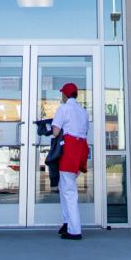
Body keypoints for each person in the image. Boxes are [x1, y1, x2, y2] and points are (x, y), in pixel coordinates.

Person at [49, 82, 89, 240]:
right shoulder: (84, 112)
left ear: (65, 95)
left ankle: (74, 230)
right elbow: (85, 132)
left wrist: (49, 127)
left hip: (68, 152)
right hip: (80, 151)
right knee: (65, 188)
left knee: (69, 192)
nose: (61, 96)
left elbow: (55, 132)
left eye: (62, 94)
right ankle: (66, 223)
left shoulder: (63, 109)